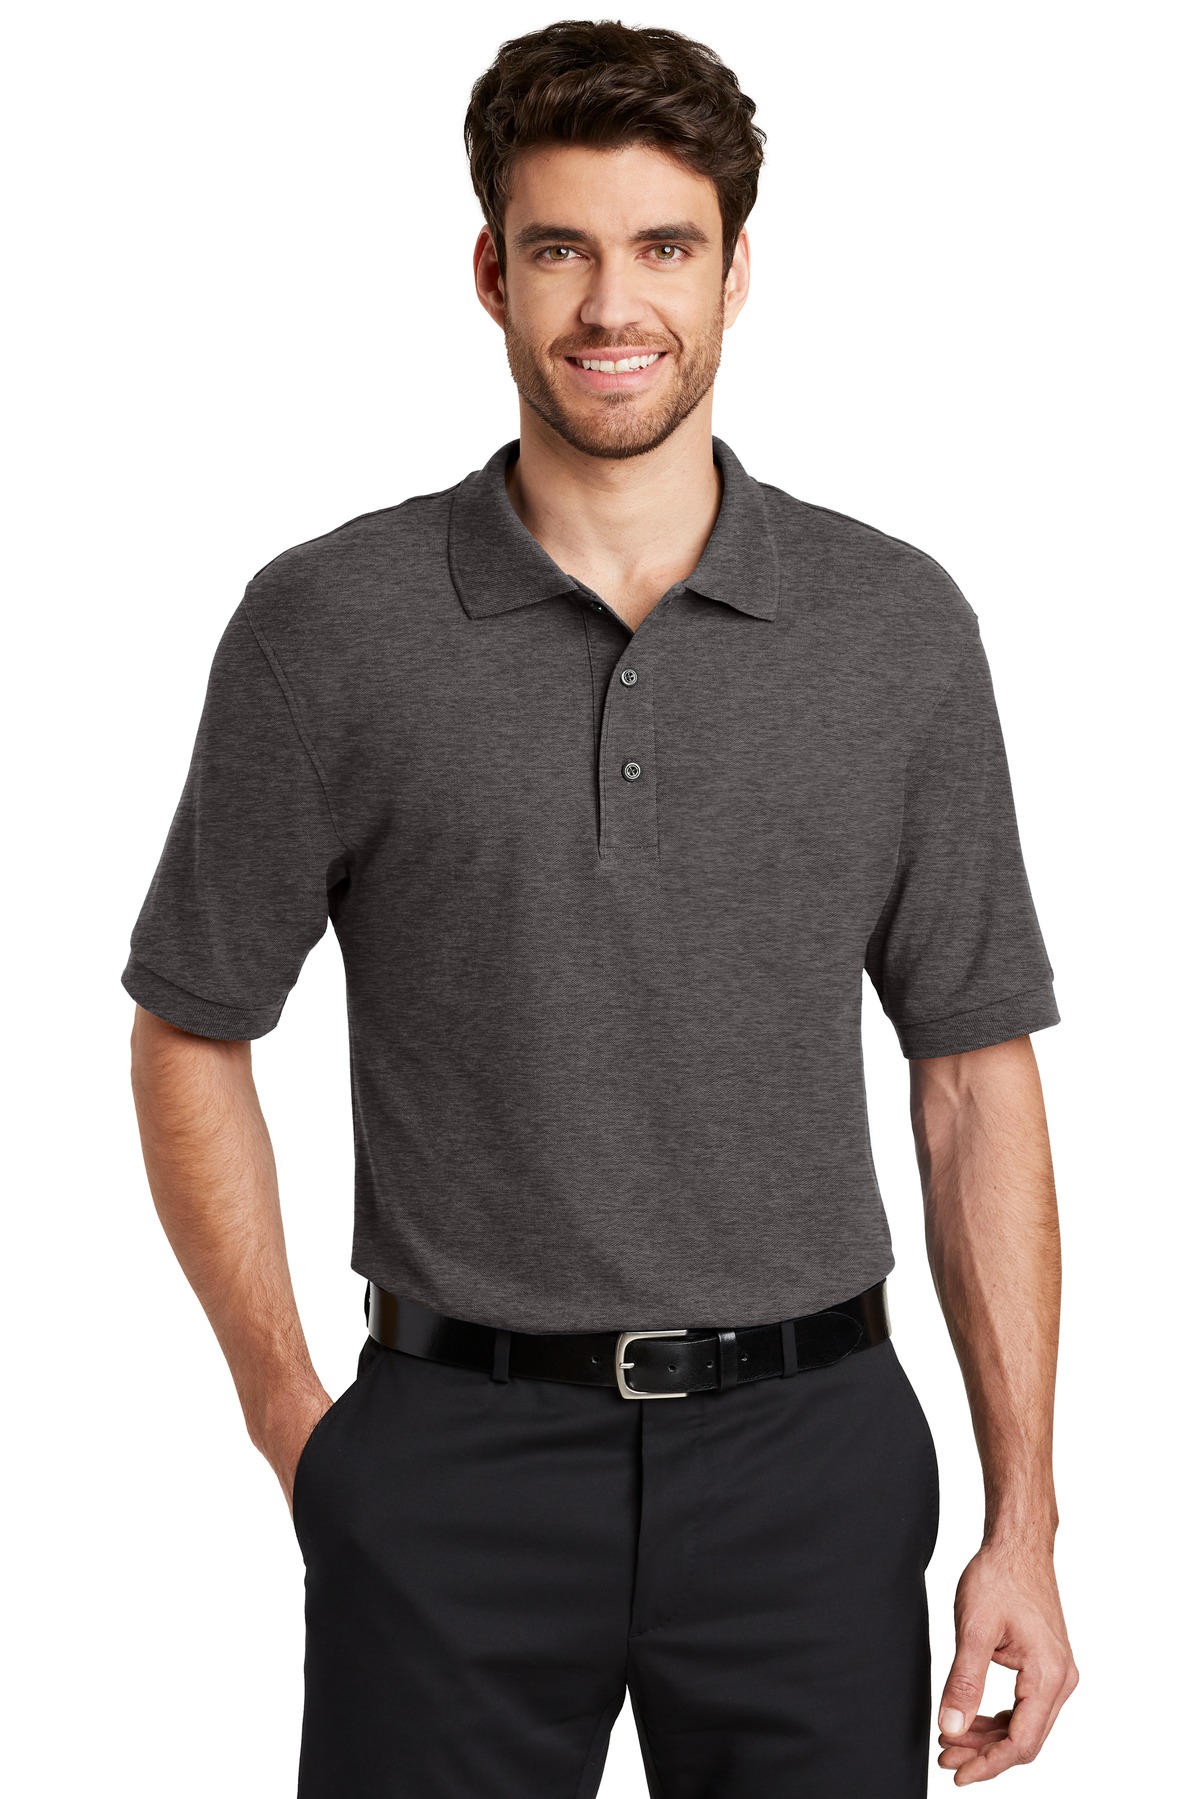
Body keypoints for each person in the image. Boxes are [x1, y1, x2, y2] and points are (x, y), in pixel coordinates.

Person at [122, 19, 1077, 1797]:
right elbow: (191, 1025)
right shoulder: (328, 626)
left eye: (664, 247)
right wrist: (294, 1424)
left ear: (735, 273)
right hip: (450, 1460)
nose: (612, 304)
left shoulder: (895, 629)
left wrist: (1023, 1517)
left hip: (813, 1464)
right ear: (491, 272)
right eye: (560, 248)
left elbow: (972, 1076)